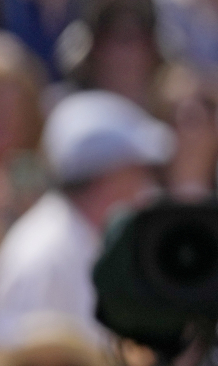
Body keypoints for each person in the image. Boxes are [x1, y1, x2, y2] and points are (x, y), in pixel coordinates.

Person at [0, 90, 172, 344]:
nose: (147, 188)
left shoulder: (81, 238)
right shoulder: (46, 254)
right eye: (136, 172)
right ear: (106, 178)